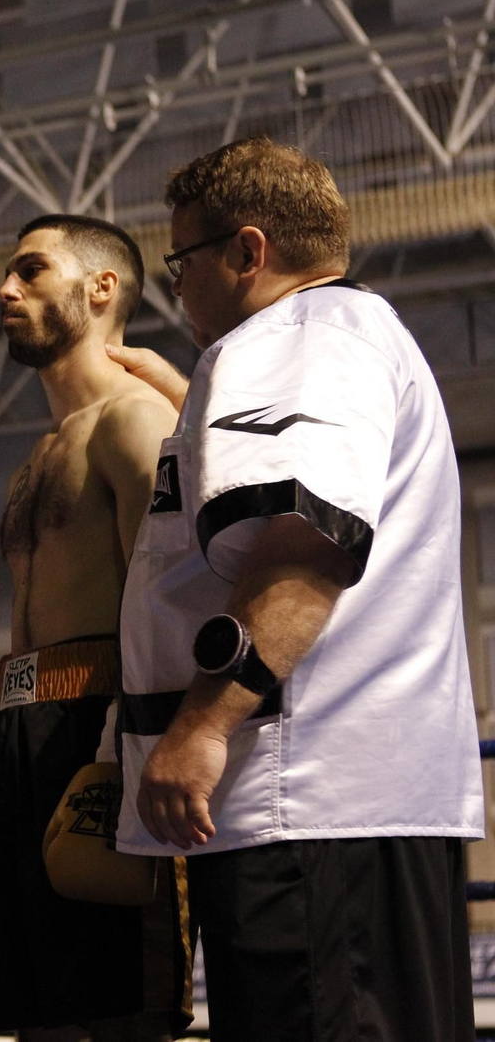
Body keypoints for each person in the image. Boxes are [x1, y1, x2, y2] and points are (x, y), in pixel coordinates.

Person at [114, 137, 484, 1042]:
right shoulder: (346, 336)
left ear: (247, 251)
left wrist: (200, 728)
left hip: (309, 807)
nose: (177, 286)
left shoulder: (294, 337)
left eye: (182, 262)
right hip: (347, 807)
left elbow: (307, 540)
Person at [0, 215, 191, 1041]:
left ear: (101, 288)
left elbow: (168, 604)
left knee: (117, 1009)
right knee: (28, 1017)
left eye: (31, 271)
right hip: (21, 740)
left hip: (102, 733)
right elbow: (26, 634)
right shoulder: (37, 454)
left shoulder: (135, 420)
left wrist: (123, 742)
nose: (6, 290)